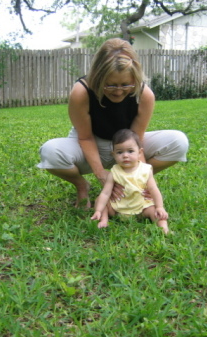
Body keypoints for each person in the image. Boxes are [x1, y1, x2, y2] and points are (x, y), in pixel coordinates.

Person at [37, 38, 189, 208]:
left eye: (125, 85)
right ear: (98, 77)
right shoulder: (82, 91)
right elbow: (85, 137)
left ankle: (127, 180)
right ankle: (82, 186)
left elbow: (136, 139)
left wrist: (142, 179)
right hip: (89, 143)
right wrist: (102, 176)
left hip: (126, 146)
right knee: (50, 152)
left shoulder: (144, 95)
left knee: (178, 142)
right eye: (110, 85)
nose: (118, 92)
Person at [91, 129, 169, 234]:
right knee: (99, 201)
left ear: (139, 152)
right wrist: (98, 210)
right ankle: (104, 219)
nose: (125, 155)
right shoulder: (114, 172)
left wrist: (160, 207)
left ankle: (164, 228)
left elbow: (153, 189)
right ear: (113, 154)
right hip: (118, 209)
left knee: (155, 211)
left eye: (130, 151)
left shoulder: (146, 170)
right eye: (120, 152)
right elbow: (105, 193)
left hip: (142, 207)